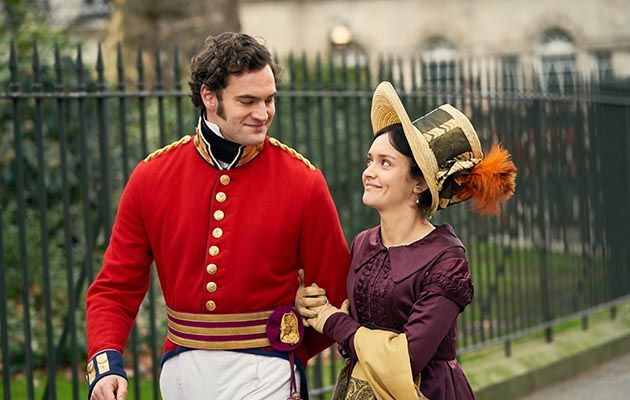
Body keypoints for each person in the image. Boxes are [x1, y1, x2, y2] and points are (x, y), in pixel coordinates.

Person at [85, 32, 350, 400]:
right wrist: (105, 361)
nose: (263, 113)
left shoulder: (303, 181)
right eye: (248, 100)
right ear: (209, 97)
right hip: (180, 374)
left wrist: (288, 350)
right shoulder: (151, 177)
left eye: (269, 99)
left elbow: (337, 293)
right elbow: (115, 287)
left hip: (268, 374)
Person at [296, 82, 516, 400]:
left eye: (385, 163)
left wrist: (333, 321)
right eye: (370, 160)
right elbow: (350, 318)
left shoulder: (446, 258)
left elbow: (408, 357)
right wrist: (314, 303)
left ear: (417, 183)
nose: (368, 172)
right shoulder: (364, 243)